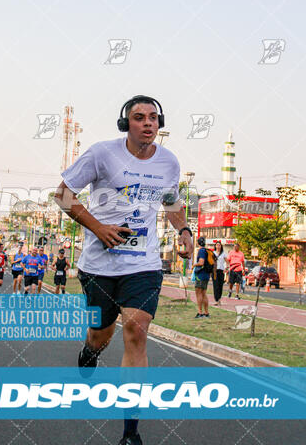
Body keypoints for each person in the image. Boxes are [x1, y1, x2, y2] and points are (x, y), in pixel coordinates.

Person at [54, 95, 193, 445]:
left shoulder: (169, 162)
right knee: (102, 333)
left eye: (153, 118)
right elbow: (63, 195)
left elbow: (172, 203)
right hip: (98, 265)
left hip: (143, 264)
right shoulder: (102, 153)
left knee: (136, 330)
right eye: (139, 117)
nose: (148, 123)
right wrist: (98, 227)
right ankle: (90, 351)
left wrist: (185, 230)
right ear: (125, 124)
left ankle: (131, 431)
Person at [192, 237, 212, 318]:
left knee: (198, 293)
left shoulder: (201, 251)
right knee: (204, 293)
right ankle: (206, 312)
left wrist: (194, 265)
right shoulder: (207, 251)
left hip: (200, 275)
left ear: (198, 243)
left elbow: (201, 262)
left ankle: (200, 312)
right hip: (206, 274)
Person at [212, 241, 226, 306]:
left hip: (221, 271)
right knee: (216, 285)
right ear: (215, 246)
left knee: (220, 286)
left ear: (221, 246)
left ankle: (219, 299)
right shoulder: (213, 253)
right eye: (217, 245)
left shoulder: (223, 254)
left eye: (219, 245)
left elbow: (227, 262)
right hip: (215, 271)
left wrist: (226, 268)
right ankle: (216, 300)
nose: (218, 246)